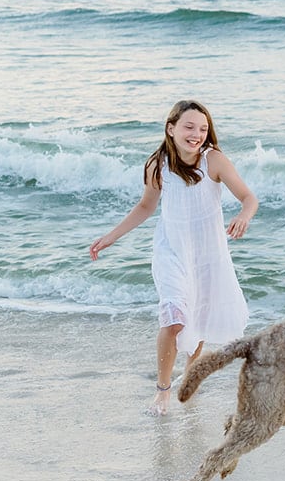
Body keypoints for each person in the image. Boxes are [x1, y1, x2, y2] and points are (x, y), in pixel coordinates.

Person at [90, 99, 259, 415]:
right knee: (175, 319)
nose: (196, 134)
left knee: (199, 320)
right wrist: (111, 237)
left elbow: (249, 198)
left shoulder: (214, 161)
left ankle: (189, 376)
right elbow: (145, 207)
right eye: (189, 127)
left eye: (203, 128)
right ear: (171, 129)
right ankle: (163, 390)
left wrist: (244, 216)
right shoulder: (158, 166)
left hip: (208, 255)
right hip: (171, 252)